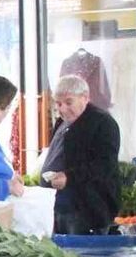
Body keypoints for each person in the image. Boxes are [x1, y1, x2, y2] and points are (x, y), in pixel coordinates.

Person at [42, 74, 121, 235]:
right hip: (59, 205)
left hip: (86, 210)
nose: (62, 109)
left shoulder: (103, 123)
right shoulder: (62, 121)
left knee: (81, 256)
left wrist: (69, 177)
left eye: (68, 102)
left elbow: (105, 165)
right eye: (58, 103)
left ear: (85, 98)